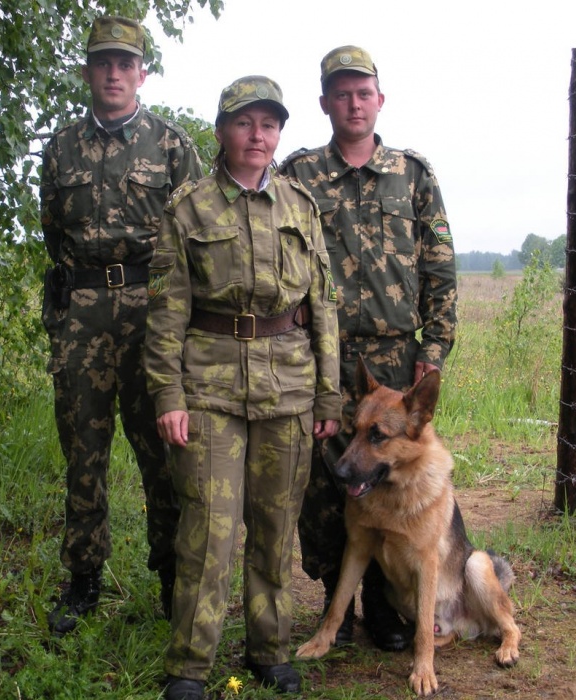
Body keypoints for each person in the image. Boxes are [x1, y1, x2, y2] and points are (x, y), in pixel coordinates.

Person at [144, 76, 341, 700]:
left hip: (288, 388)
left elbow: (324, 307)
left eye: (269, 124)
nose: (258, 135)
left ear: (279, 133)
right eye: (244, 123)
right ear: (223, 130)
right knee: (210, 528)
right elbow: (166, 313)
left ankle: (270, 649)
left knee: (276, 524)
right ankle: (190, 665)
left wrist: (329, 395)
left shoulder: (300, 207)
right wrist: (168, 396)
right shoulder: (189, 208)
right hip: (209, 389)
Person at [279, 45, 458, 652]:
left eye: (363, 92)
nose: (353, 103)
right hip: (317, 354)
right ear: (324, 102)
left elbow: (440, 268)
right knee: (322, 485)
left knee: (387, 483)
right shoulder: (297, 175)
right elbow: (275, 255)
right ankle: (338, 597)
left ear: (379, 99)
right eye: (341, 92)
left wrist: (432, 350)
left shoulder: (413, 174)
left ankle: (384, 611)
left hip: (392, 359)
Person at [39, 15, 204, 636]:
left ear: (142, 73)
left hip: (150, 311)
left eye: (125, 63)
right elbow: (54, 228)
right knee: (83, 450)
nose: (114, 73)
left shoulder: (171, 144)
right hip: (81, 312)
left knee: (162, 451)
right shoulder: (61, 147)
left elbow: (193, 235)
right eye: (103, 63)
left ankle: (170, 578)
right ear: (88, 72)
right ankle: (83, 581)